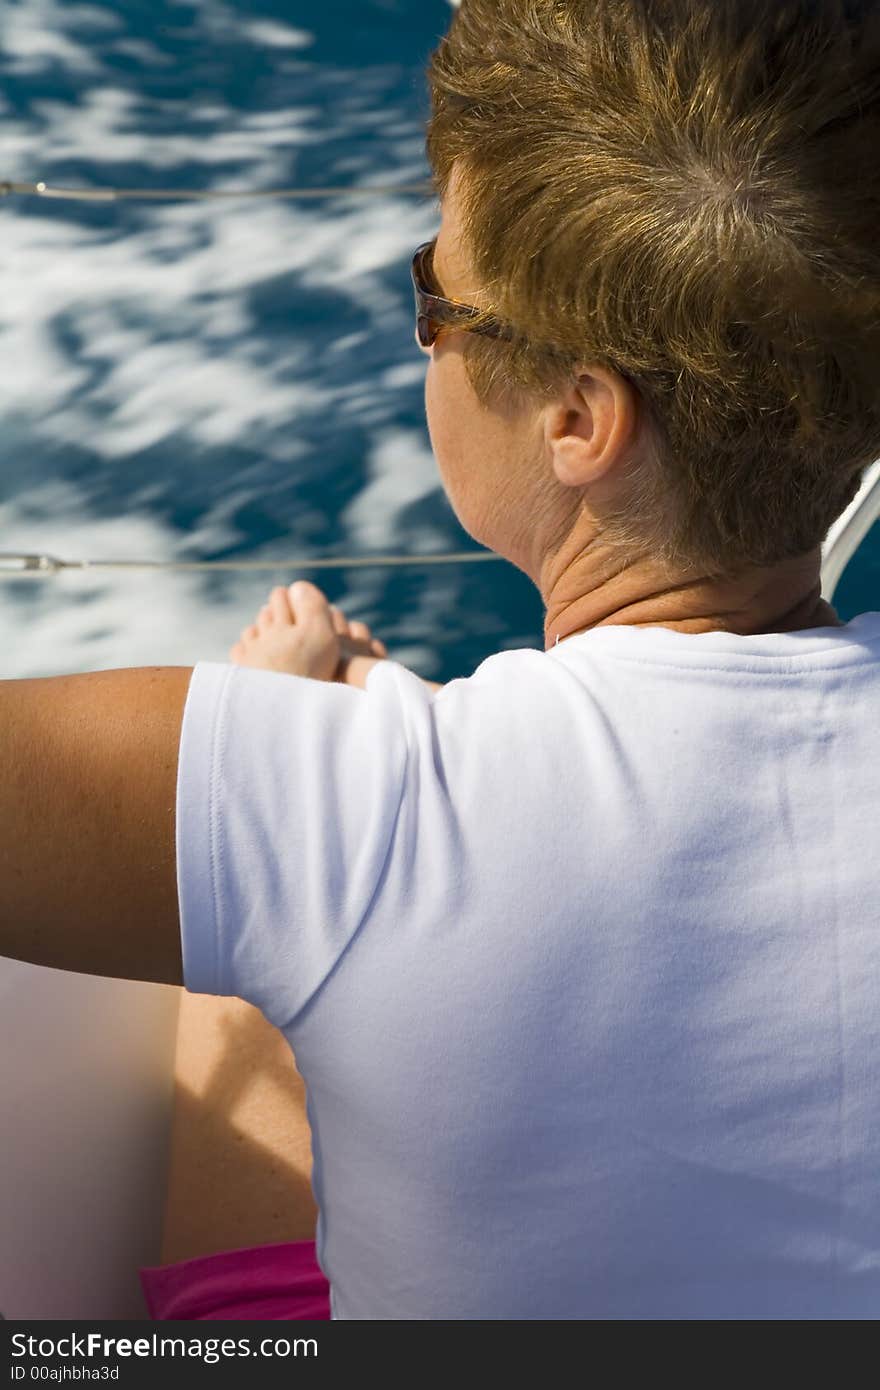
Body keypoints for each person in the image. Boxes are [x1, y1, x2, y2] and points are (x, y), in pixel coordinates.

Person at [3, 0, 880, 1319]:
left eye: (437, 294)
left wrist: (277, 719)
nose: (425, 326)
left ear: (579, 417)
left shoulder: (366, 810)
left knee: (260, 989)